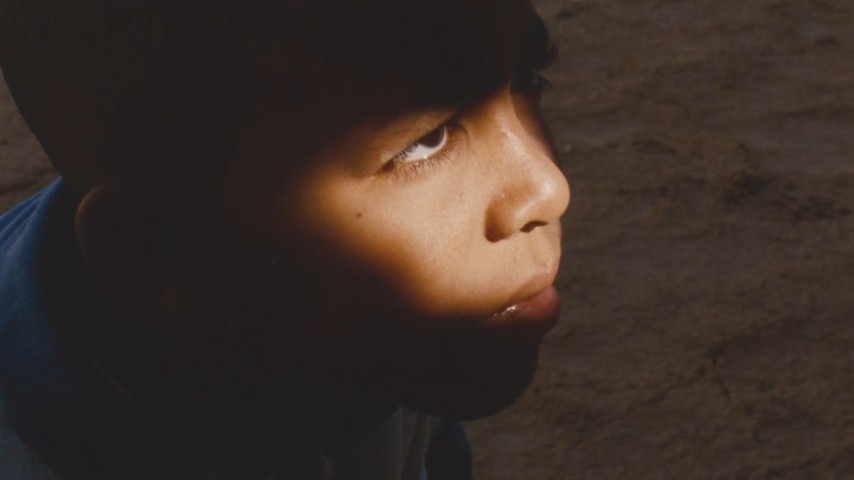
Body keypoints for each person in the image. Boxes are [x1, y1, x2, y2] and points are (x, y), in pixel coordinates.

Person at [0, 0, 570, 478]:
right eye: (423, 143)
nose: (548, 189)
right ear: (161, 255)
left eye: (528, 76)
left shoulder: (380, 331)